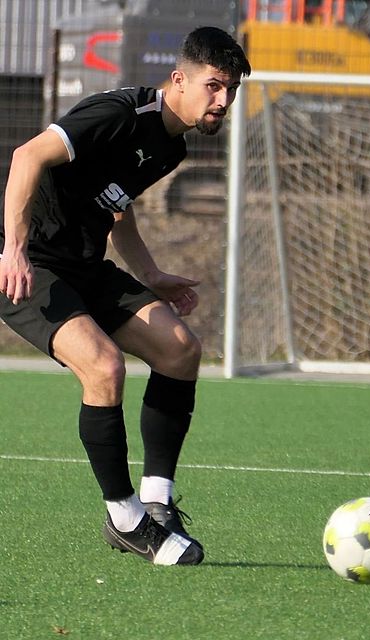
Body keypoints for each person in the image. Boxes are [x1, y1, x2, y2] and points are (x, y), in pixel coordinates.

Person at [0, 26, 251, 565]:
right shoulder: (119, 114)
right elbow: (26, 157)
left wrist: (151, 273)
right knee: (104, 368)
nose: (223, 101)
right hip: (31, 264)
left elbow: (118, 206)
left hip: (85, 264)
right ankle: (125, 517)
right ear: (179, 79)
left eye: (231, 90)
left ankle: (158, 503)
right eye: (215, 86)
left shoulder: (172, 146)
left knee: (180, 348)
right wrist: (14, 249)